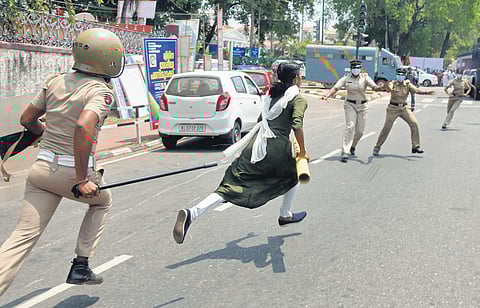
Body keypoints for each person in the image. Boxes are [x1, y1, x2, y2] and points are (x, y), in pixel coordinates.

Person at [0, 28, 125, 296]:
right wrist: (82, 179)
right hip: (72, 174)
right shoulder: (101, 92)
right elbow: (84, 126)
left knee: (21, 238)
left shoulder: (54, 81)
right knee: (102, 202)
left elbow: (27, 120)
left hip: (41, 171)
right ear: (111, 60)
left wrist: (42, 132)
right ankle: (81, 265)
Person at [173, 62, 309, 244]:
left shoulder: (271, 96)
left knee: (231, 184)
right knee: (294, 176)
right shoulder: (298, 99)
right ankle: (285, 214)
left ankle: (192, 213)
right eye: (300, 75)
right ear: (295, 78)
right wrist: (303, 152)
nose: (301, 78)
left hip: (254, 146)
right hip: (275, 148)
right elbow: (297, 124)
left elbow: (263, 120)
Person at [321, 60, 384, 162]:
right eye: (354, 68)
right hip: (350, 105)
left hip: (363, 106)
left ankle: (353, 146)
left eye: (358, 68)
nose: (356, 70)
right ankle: (344, 152)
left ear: (360, 68)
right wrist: (327, 95)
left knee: (360, 131)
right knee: (350, 126)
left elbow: (374, 87)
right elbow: (336, 88)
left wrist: (380, 87)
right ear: (351, 69)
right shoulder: (346, 78)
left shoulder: (365, 78)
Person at [372, 68, 433, 156]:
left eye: (402, 75)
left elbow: (416, 90)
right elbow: (389, 88)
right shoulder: (392, 83)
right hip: (393, 108)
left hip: (404, 108)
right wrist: (389, 88)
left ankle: (415, 146)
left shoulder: (407, 84)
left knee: (414, 123)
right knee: (387, 128)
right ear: (396, 75)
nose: (400, 76)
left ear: (404, 76)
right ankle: (377, 147)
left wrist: (427, 92)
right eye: (399, 74)